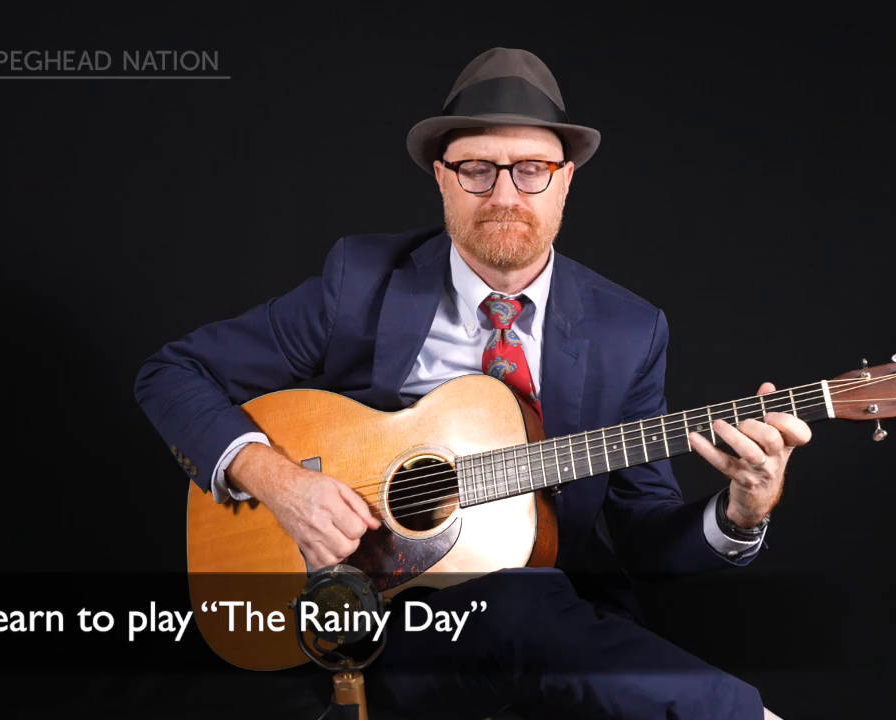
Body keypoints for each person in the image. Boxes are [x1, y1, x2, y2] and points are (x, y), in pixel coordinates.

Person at [135, 47, 807, 720]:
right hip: (367, 614)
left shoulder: (628, 332)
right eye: (477, 169)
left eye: (532, 170)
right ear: (443, 178)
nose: (505, 194)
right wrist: (282, 485)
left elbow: (644, 537)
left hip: (552, 623)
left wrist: (742, 512)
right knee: (522, 606)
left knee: (527, 601)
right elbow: (172, 374)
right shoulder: (362, 280)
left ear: (566, 181)